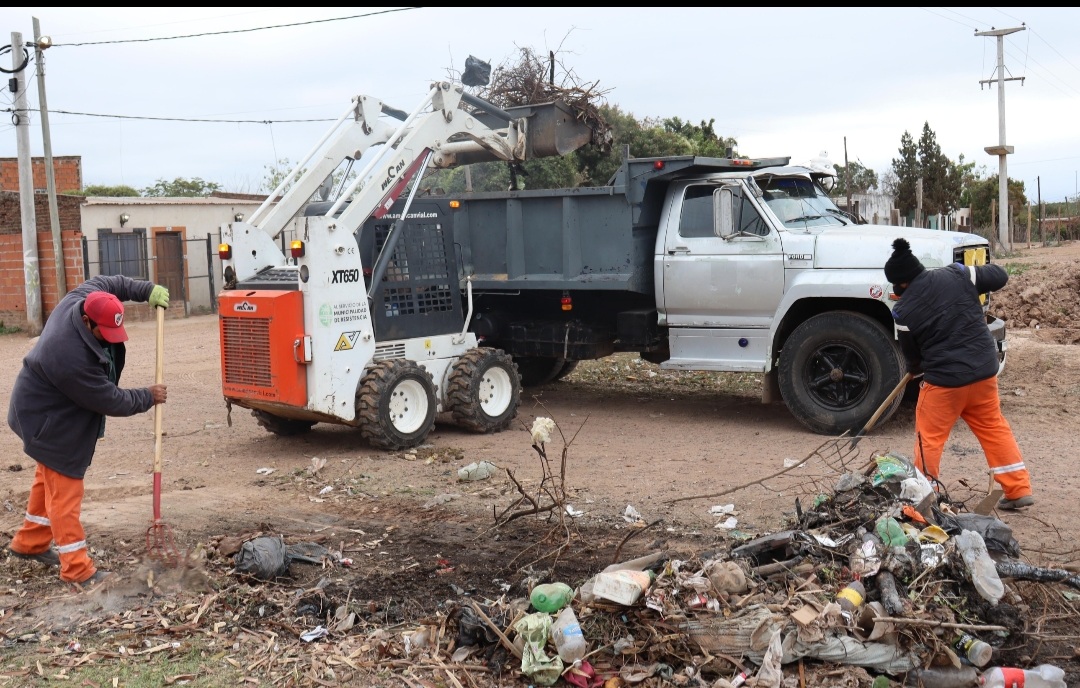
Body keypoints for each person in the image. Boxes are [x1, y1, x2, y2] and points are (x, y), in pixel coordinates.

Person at [5, 275, 170, 587]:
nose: (110, 339)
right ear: (86, 319)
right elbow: (109, 399)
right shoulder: (69, 357)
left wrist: (145, 290)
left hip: (44, 408)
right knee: (65, 493)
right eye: (104, 333)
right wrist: (148, 396)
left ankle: (29, 544)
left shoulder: (86, 295)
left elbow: (112, 282)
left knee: (48, 479)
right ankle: (77, 569)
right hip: (47, 421)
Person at [885, 238, 1033, 510]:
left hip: (945, 384)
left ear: (902, 284)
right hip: (983, 373)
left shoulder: (903, 312)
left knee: (929, 436)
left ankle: (924, 495)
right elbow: (1000, 276)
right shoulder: (957, 273)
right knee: (993, 427)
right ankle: (1018, 488)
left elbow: (914, 359)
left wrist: (916, 369)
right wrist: (972, 276)